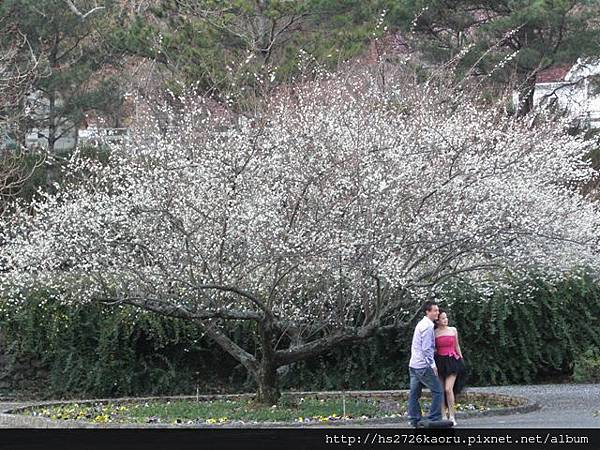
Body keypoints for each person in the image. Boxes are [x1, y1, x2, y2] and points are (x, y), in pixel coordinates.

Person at [407, 300, 444, 427]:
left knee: (414, 394)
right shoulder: (428, 326)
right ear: (427, 312)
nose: (437, 313)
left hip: (413, 365)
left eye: (438, 310)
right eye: (435, 311)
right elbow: (426, 349)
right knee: (438, 390)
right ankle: (434, 418)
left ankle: (414, 419)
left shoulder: (421, 324)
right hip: (423, 365)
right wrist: (433, 365)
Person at [434, 310, 466, 426]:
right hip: (440, 361)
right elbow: (434, 349)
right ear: (437, 321)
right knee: (441, 390)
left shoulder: (453, 330)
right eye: (442, 318)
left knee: (448, 389)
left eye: (446, 318)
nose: (445, 320)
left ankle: (452, 415)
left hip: (452, 360)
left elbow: (456, 345)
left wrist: (461, 359)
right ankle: (443, 415)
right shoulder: (435, 333)